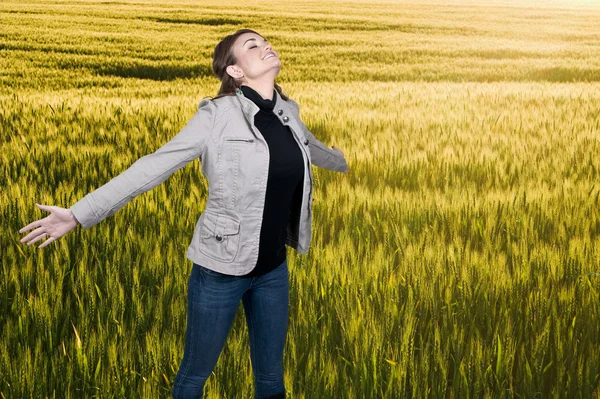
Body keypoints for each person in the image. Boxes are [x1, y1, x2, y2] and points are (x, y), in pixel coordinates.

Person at [19, 28, 349, 398]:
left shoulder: (288, 111)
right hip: (220, 270)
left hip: (273, 269)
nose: (265, 46)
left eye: (265, 41)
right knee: (194, 377)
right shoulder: (217, 116)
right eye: (251, 46)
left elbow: (310, 146)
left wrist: (344, 161)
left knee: (271, 381)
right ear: (236, 71)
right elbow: (152, 167)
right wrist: (79, 214)